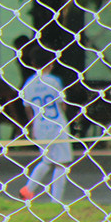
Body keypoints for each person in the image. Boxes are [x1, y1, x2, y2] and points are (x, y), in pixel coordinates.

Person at [18, 43, 73, 203]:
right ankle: (56, 201)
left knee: (47, 160)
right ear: (51, 62)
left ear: (33, 63)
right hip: (57, 124)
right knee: (61, 163)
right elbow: (62, 104)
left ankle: (28, 190)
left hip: (40, 126)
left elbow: (27, 108)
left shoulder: (29, 83)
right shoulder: (54, 81)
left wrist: (32, 125)